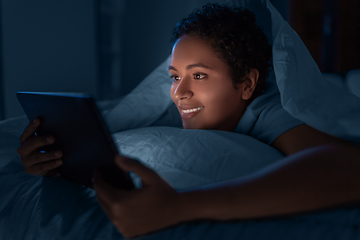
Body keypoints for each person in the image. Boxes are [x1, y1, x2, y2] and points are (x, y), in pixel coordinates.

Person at [17, 3, 360, 239]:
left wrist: (179, 207)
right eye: (173, 76)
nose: (179, 93)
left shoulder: (269, 111)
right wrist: (53, 157)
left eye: (198, 76)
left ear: (247, 84)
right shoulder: (191, 108)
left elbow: (348, 169)